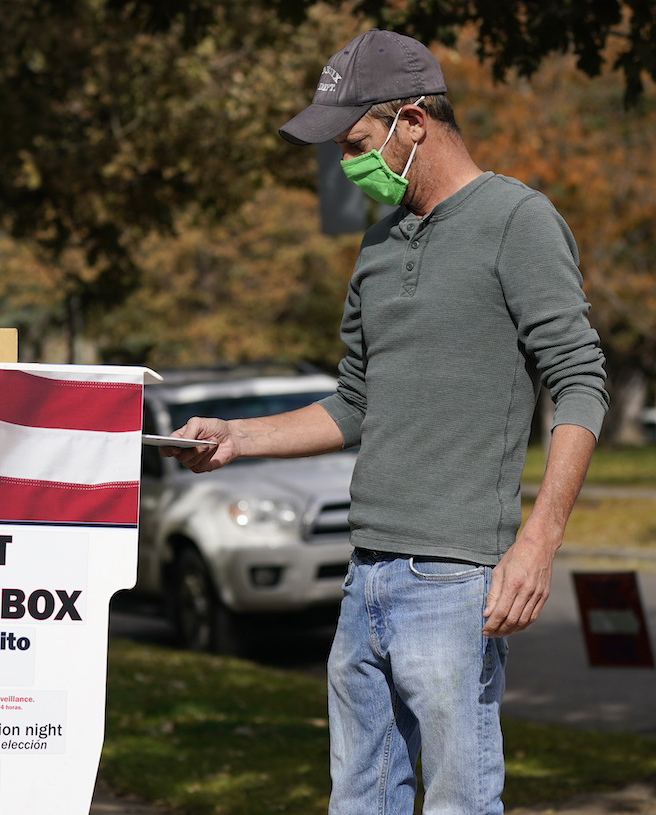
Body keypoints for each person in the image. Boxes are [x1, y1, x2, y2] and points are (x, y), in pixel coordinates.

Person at [163, 28, 609, 815]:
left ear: (413, 122)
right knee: (358, 801)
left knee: (458, 803)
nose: (345, 165)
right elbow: (355, 402)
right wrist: (239, 437)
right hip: (364, 573)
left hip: (455, 576)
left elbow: (579, 382)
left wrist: (538, 542)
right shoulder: (376, 247)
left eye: (356, 143)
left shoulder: (518, 220)